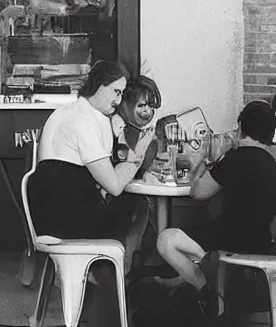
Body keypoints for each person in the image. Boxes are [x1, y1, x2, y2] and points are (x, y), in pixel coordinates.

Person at [28, 60, 154, 327]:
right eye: (116, 93)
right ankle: (121, 267)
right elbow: (114, 186)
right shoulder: (86, 119)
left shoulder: (71, 111)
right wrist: (137, 158)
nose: (119, 101)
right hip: (69, 222)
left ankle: (109, 271)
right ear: (99, 86)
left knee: (127, 208)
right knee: (139, 202)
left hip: (51, 215)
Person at [156, 100, 276, 321]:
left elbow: (198, 192)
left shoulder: (235, 159)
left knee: (167, 239)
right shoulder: (272, 164)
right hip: (260, 243)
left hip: (226, 239)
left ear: (240, 127)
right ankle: (205, 279)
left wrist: (204, 156)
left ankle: (207, 287)